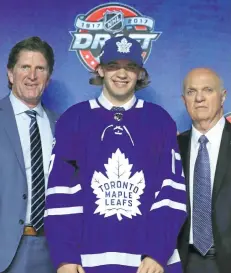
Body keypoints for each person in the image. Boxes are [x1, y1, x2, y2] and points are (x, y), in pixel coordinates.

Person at [45, 36, 186, 273]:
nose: (122, 74)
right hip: (89, 260)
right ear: (99, 69)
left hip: (148, 263)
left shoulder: (160, 120)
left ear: (140, 73)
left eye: (130, 67)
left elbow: (171, 190)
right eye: (113, 66)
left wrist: (157, 253)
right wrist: (65, 256)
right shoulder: (74, 119)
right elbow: (61, 193)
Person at [0, 36, 58, 273]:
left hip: (52, 250)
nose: (32, 76)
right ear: (10, 74)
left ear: (48, 78)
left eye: (40, 68)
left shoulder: (62, 125)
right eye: (25, 67)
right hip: (5, 251)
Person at [177, 68, 231, 273]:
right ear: (184, 100)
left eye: (208, 90)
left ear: (223, 96)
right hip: (182, 262)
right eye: (191, 92)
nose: (199, 98)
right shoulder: (171, 148)